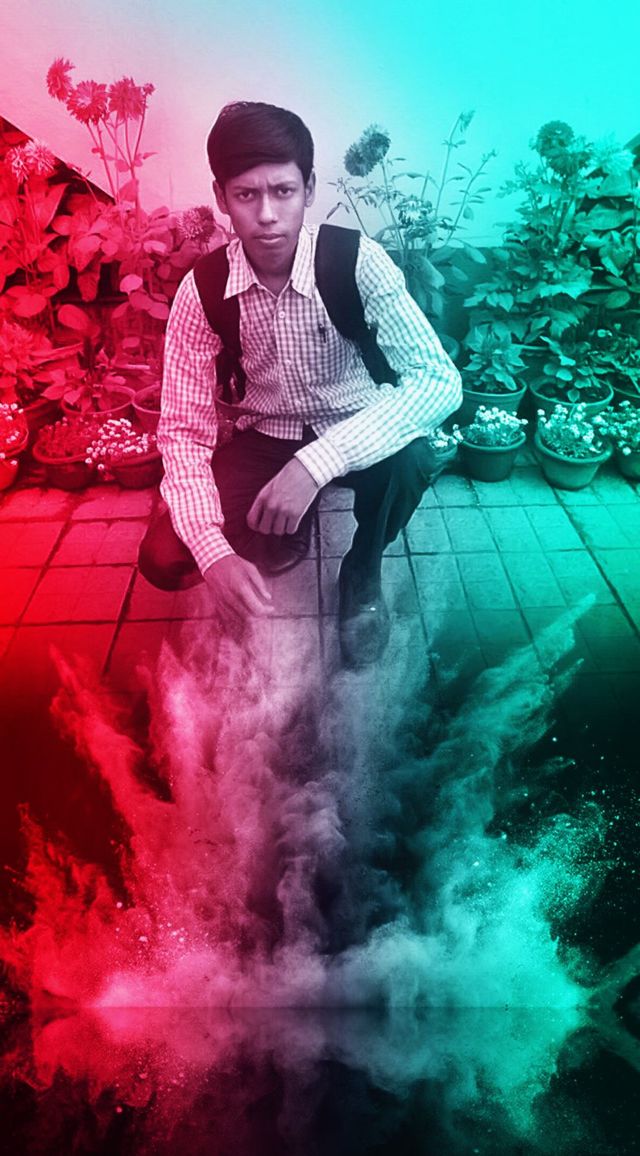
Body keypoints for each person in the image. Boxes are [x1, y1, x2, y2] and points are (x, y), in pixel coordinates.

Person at [138, 101, 462, 668]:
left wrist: (314, 466)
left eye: (283, 191)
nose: (267, 215)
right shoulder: (203, 288)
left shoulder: (356, 262)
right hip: (265, 434)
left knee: (412, 458)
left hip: (353, 421)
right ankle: (274, 534)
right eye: (246, 195)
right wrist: (213, 554)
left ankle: (361, 569)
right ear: (221, 198)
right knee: (165, 556)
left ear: (309, 188)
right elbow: (183, 431)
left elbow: (439, 380)